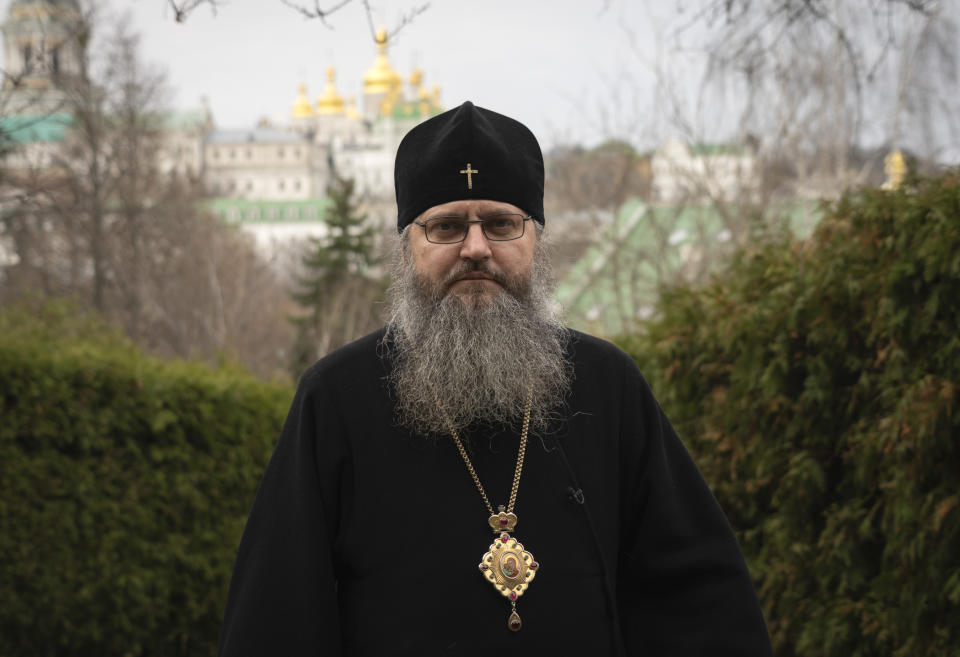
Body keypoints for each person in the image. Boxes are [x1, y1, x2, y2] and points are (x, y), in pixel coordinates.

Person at [217, 101, 772, 656]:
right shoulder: (335, 400)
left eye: (502, 224)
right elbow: (279, 618)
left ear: (537, 241)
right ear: (407, 248)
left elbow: (701, 604)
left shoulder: (610, 387)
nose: (477, 248)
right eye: (447, 227)